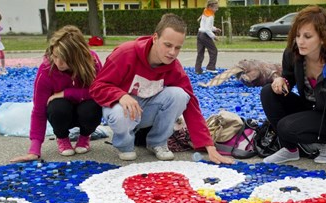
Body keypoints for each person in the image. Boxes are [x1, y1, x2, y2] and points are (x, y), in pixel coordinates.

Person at [89, 14, 233, 164]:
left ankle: (157, 142)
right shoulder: (125, 54)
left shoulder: (174, 68)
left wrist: (209, 146)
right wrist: (120, 95)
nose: (172, 52)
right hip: (122, 110)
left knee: (180, 95)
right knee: (119, 113)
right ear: (155, 38)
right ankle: (125, 145)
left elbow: (191, 105)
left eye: (177, 48)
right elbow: (97, 87)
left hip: (145, 111)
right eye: (168, 45)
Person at [259, 6, 326, 171]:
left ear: (322, 38)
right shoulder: (292, 53)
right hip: (311, 107)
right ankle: (290, 150)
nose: (300, 41)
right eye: (298, 35)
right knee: (268, 92)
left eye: (307, 36)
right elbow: (289, 78)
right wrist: (281, 80)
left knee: (286, 127)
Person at [10, 26, 103, 163]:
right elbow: (38, 111)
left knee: (92, 108)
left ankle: (84, 136)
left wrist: (66, 93)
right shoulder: (46, 70)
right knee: (57, 107)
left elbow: (100, 91)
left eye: (65, 59)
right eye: (55, 56)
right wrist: (34, 150)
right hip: (62, 114)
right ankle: (62, 137)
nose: (58, 63)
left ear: (78, 56)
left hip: (85, 109)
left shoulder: (91, 61)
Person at [195, 0, 221, 74]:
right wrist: (214, 36)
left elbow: (206, 27)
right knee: (213, 51)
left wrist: (215, 29)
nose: (217, 9)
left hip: (199, 34)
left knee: (200, 53)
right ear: (210, 7)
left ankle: (198, 69)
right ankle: (210, 67)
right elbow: (207, 29)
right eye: (216, 8)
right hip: (205, 35)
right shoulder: (210, 16)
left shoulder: (205, 12)